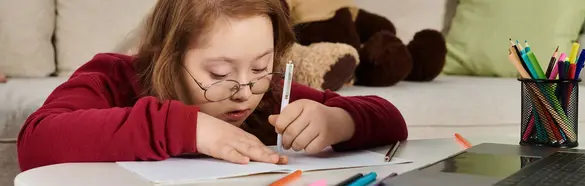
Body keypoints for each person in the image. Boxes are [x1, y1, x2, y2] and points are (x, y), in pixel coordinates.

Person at [17, 0, 408, 172]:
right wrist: (187, 126)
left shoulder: (265, 95)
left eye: (261, 65)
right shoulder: (113, 78)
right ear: (169, 56)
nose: (242, 90)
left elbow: (391, 120)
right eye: (219, 74)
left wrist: (340, 120)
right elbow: (37, 142)